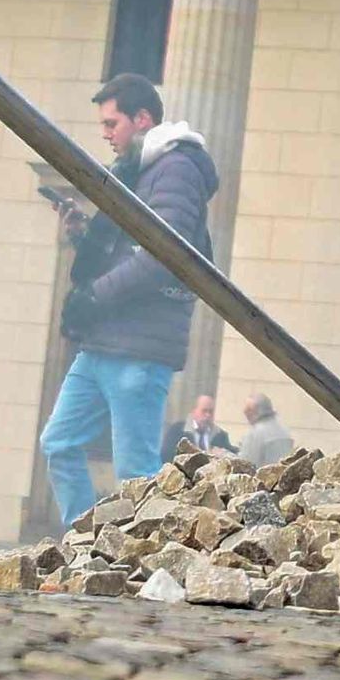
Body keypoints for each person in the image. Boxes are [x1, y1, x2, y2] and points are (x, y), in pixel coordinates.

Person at [37, 74, 220, 529]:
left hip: (138, 346)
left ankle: (152, 565)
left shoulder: (175, 168)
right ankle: (87, 549)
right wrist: (83, 234)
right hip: (103, 342)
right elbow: (127, 249)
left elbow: (162, 254)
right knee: (59, 443)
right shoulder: (141, 168)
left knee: (136, 472)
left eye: (112, 122)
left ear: (142, 119)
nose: (106, 133)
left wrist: (93, 296)